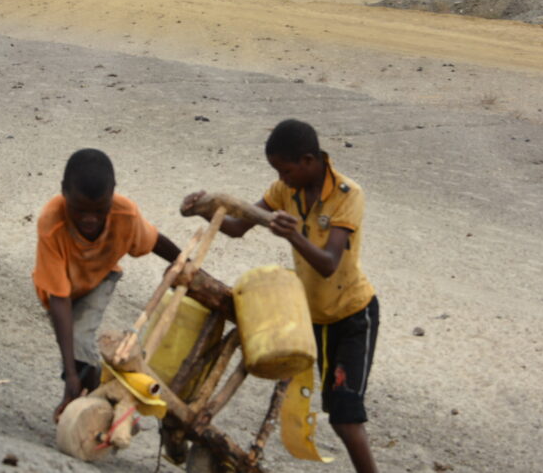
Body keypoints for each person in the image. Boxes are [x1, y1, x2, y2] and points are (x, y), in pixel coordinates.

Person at [180, 119, 380, 473]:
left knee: (345, 417)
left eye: (285, 170)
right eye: (277, 171)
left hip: (352, 316)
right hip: (311, 316)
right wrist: (206, 208)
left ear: (308, 160)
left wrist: (293, 237)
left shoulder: (348, 195)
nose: (281, 178)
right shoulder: (286, 191)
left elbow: (329, 263)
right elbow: (240, 226)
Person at [34, 148, 184, 422]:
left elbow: (154, 241)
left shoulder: (124, 213)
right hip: (58, 294)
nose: (89, 219)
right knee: (75, 352)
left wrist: (185, 263)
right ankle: (91, 397)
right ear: (63, 193)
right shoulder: (51, 222)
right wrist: (69, 373)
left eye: (99, 210)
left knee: (79, 341)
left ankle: (93, 401)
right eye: (79, 210)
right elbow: (59, 297)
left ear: (112, 195)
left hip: (100, 278)